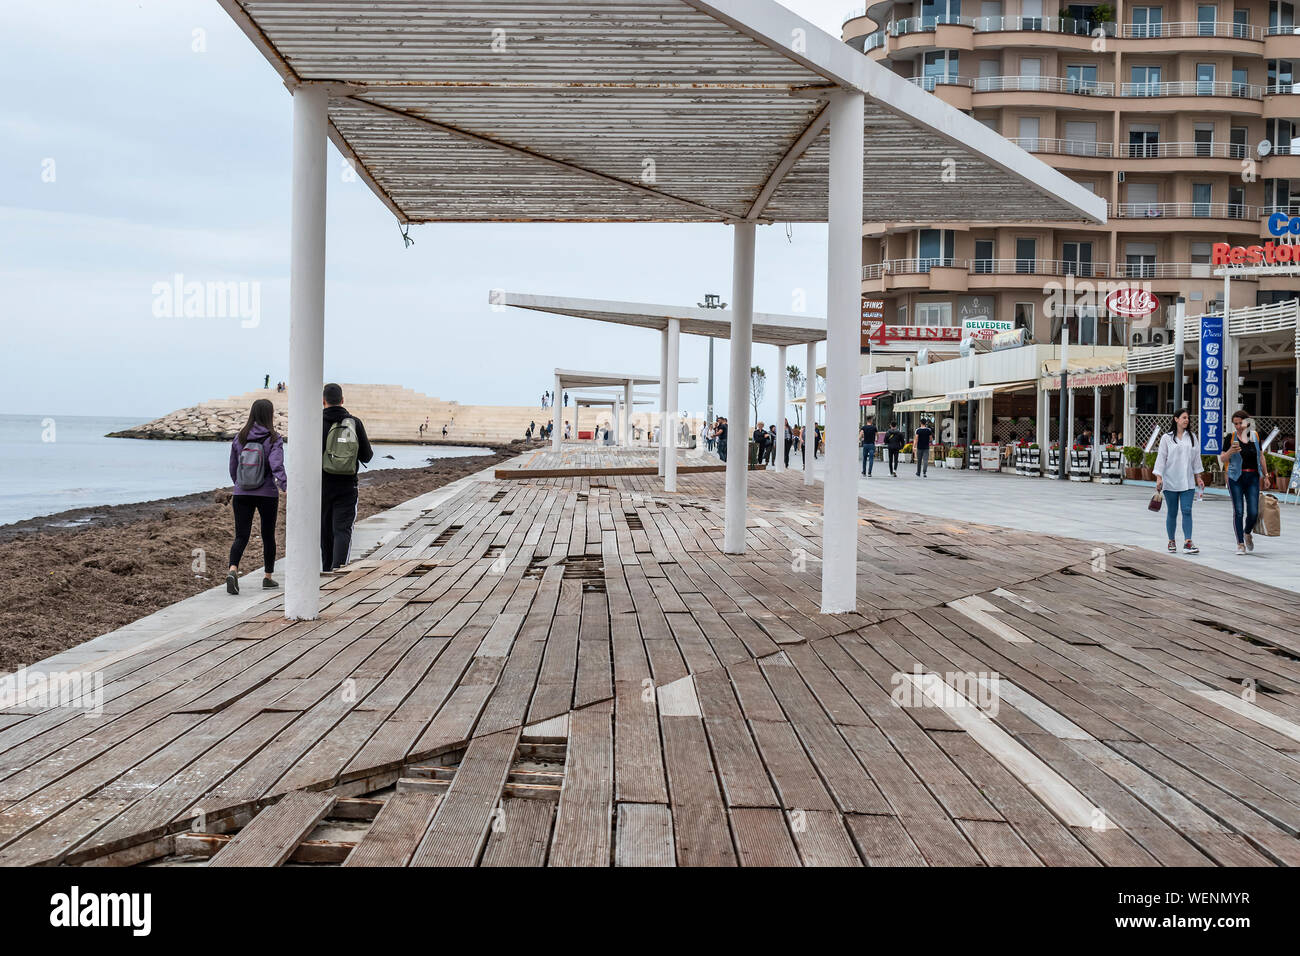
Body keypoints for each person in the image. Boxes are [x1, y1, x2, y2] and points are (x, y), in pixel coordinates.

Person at [226, 398, 287, 595]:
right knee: (268, 535)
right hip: (267, 493)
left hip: (242, 492)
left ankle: (233, 570)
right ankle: (268, 578)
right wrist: (285, 484)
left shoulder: (240, 437)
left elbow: (233, 467)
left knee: (241, 535)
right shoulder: (273, 438)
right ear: (269, 414)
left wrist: (239, 485)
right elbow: (276, 464)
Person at [321, 383, 374, 573]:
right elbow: (367, 456)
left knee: (325, 530)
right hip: (347, 486)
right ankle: (338, 570)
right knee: (342, 530)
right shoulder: (354, 423)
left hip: (322, 486)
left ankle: (326, 569)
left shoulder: (316, 422)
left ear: (323, 401)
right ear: (342, 400)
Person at [1153, 407, 1205, 555]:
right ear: (1176, 419)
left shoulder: (1193, 437)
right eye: (1183, 417)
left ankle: (1188, 542)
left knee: (1187, 510)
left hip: (1188, 481)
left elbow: (1196, 459)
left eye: (1187, 418)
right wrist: (1159, 477)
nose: (1186, 420)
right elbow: (1161, 458)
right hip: (1170, 481)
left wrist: (1198, 477)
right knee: (1172, 512)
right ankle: (1171, 541)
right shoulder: (1166, 438)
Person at [1221, 409, 1265, 556]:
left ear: (1247, 422)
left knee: (1253, 512)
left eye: (1241, 423)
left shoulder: (1255, 436)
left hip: (1252, 476)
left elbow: (1261, 456)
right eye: (1236, 424)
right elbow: (1222, 458)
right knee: (1239, 511)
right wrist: (1230, 452)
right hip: (1236, 478)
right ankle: (1240, 543)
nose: (1239, 426)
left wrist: (1265, 475)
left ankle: (1247, 532)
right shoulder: (1230, 438)